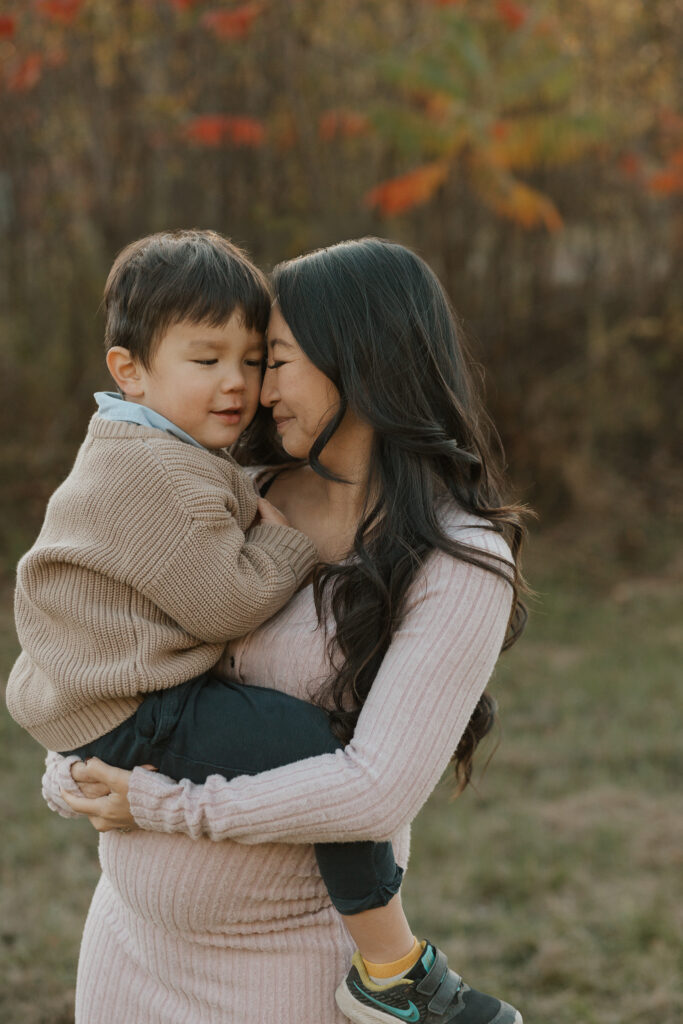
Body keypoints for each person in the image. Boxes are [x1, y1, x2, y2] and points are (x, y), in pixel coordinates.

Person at [41, 237, 529, 1024]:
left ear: (359, 360)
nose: (255, 389)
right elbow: (119, 651)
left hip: (283, 974)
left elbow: (371, 792)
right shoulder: (240, 491)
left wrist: (155, 803)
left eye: (276, 359)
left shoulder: (458, 560)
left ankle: (394, 971)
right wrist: (75, 764)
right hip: (129, 952)